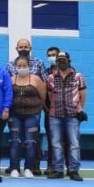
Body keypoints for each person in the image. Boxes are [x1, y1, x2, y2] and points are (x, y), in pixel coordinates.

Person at [45, 51, 86, 181]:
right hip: (55, 115)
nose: (62, 62)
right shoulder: (51, 77)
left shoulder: (78, 76)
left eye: (64, 60)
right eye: (59, 60)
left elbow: (82, 94)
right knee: (56, 143)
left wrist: (79, 109)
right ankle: (58, 170)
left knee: (74, 143)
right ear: (56, 62)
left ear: (69, 61)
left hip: (73, 114)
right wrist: (53, 108)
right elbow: (50, 95)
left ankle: (73, 170)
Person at [8, 55, 45, 178]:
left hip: (32, 115)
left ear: (29, 66)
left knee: (30, 142)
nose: (22, 68)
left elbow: (42, 96)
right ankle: (14, 168)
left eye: (24, 66)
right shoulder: (11, 79)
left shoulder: (35, 79)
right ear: (15, 67)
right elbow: (8, 96)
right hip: (15, 115)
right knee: (15, 141)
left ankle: (28, 168)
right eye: (19, 66)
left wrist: (37, 110)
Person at [41, 46, 61, 174]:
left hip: (66, 111)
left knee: (63, 140)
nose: (52, 57)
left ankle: (63, 165)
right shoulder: (46, 73)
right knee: (51, 138)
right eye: (50, 55)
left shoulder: (69, 71)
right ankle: (50, 165)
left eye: (54, 54)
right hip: (49, 111)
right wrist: (45, 108)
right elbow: (42, 91)